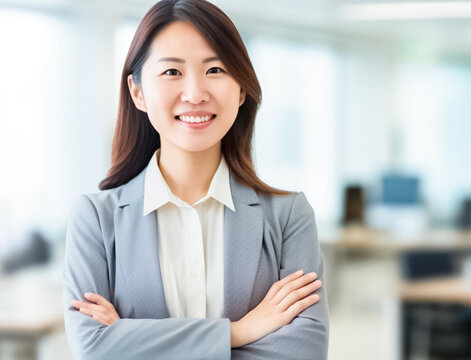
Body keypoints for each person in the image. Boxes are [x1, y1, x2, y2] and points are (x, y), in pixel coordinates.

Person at [62, 0, 329, 359]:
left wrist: (131, 341)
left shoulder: (287, 216)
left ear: (240, 89)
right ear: (138, 92)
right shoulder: (96, 219)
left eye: (215, 69)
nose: (195, 93)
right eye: (172, 72)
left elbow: (304, 351)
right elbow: (93, 349)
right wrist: (238, 332)